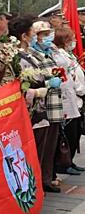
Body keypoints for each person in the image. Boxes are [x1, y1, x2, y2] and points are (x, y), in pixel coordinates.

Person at [8, 16, 58, 191]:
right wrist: (41, 90)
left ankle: (38, 185)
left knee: (41, 150)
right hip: (29, 111)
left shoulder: (30, 54)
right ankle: (30, 188)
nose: (35, 36)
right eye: (32, 32)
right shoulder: (15, 56)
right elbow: (20, 86)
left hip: (40, 110)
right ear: (23, 35)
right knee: (31, 152)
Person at [29, 20, 65, 192]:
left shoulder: (49, 53)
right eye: (43, 34)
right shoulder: (32, 54)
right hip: (42, 105)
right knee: (41, 146)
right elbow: (34, 78)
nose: (47, 37)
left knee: (51, 144)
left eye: (48, 33)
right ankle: (40, 180)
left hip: (55, 103)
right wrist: (50, 81)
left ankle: (47, 178)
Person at [52, 27, 85, 175]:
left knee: (76, 132)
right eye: (72, 38)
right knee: (69, 133)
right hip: (70, 97)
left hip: (76, 98)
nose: (75, 41)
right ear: (64, 40)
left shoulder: (68, 54)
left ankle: (70, 161)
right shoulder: (59, 55)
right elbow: (68, 76)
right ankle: (64, 164)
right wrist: (80, 89)